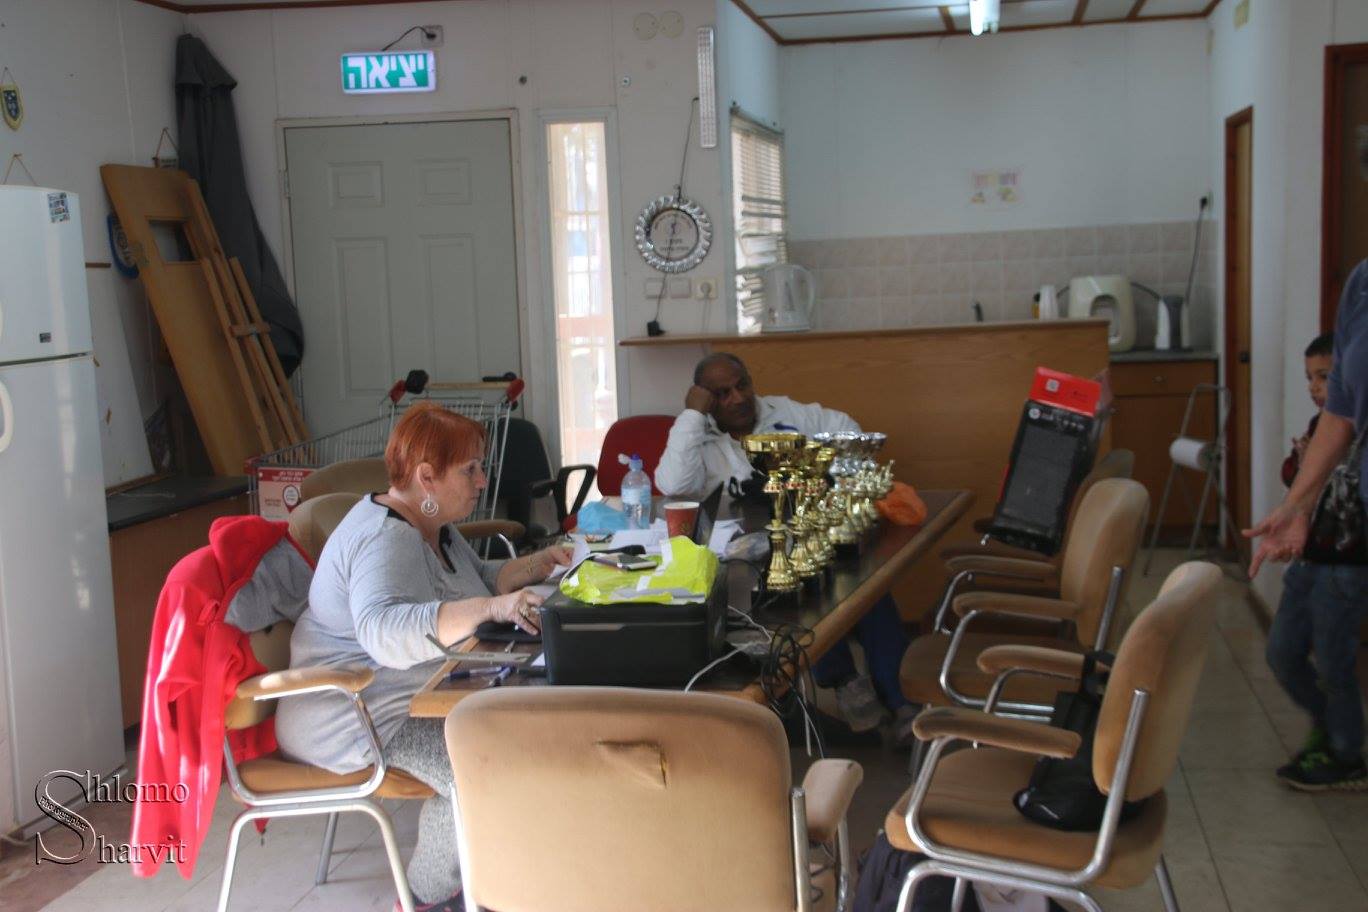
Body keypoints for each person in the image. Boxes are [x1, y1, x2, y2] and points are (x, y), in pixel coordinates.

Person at [276, 403, 572, 911]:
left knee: (514, 736)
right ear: (427, 477)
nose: (482, 481)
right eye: (470, 470)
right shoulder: (383, 537)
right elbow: (384, 632)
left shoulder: (434, 525)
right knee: (477, 765)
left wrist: (537, 564)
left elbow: (479, 583)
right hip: (356, 716)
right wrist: (492, 608)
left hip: (405, 698)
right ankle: (424, 899)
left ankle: (498, 875)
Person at [655, 352, 916, 743]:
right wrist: (693, 415)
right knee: (801, 595)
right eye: (722, 393)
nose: (738, 398)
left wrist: (826, 479)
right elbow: (673, 484)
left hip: (810, 541)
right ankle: (844, 682)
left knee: (865, 588)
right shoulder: (699, 437)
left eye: (742, 385)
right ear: (705, 398)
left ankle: (899, 699)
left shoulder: (786, 412)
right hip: (745, 561)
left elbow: (848, 431)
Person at [1246, 263, 1368, 792]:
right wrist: (1294, 504)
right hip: (1313, 554)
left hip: (1349, 561)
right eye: (1311, 379)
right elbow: (1336, 421)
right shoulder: (1360, 285)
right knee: (1284, 652)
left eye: (1324, 375)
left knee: (1335, 661)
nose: (1318, 387)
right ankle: (1332, 726)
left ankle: (1345, 749)